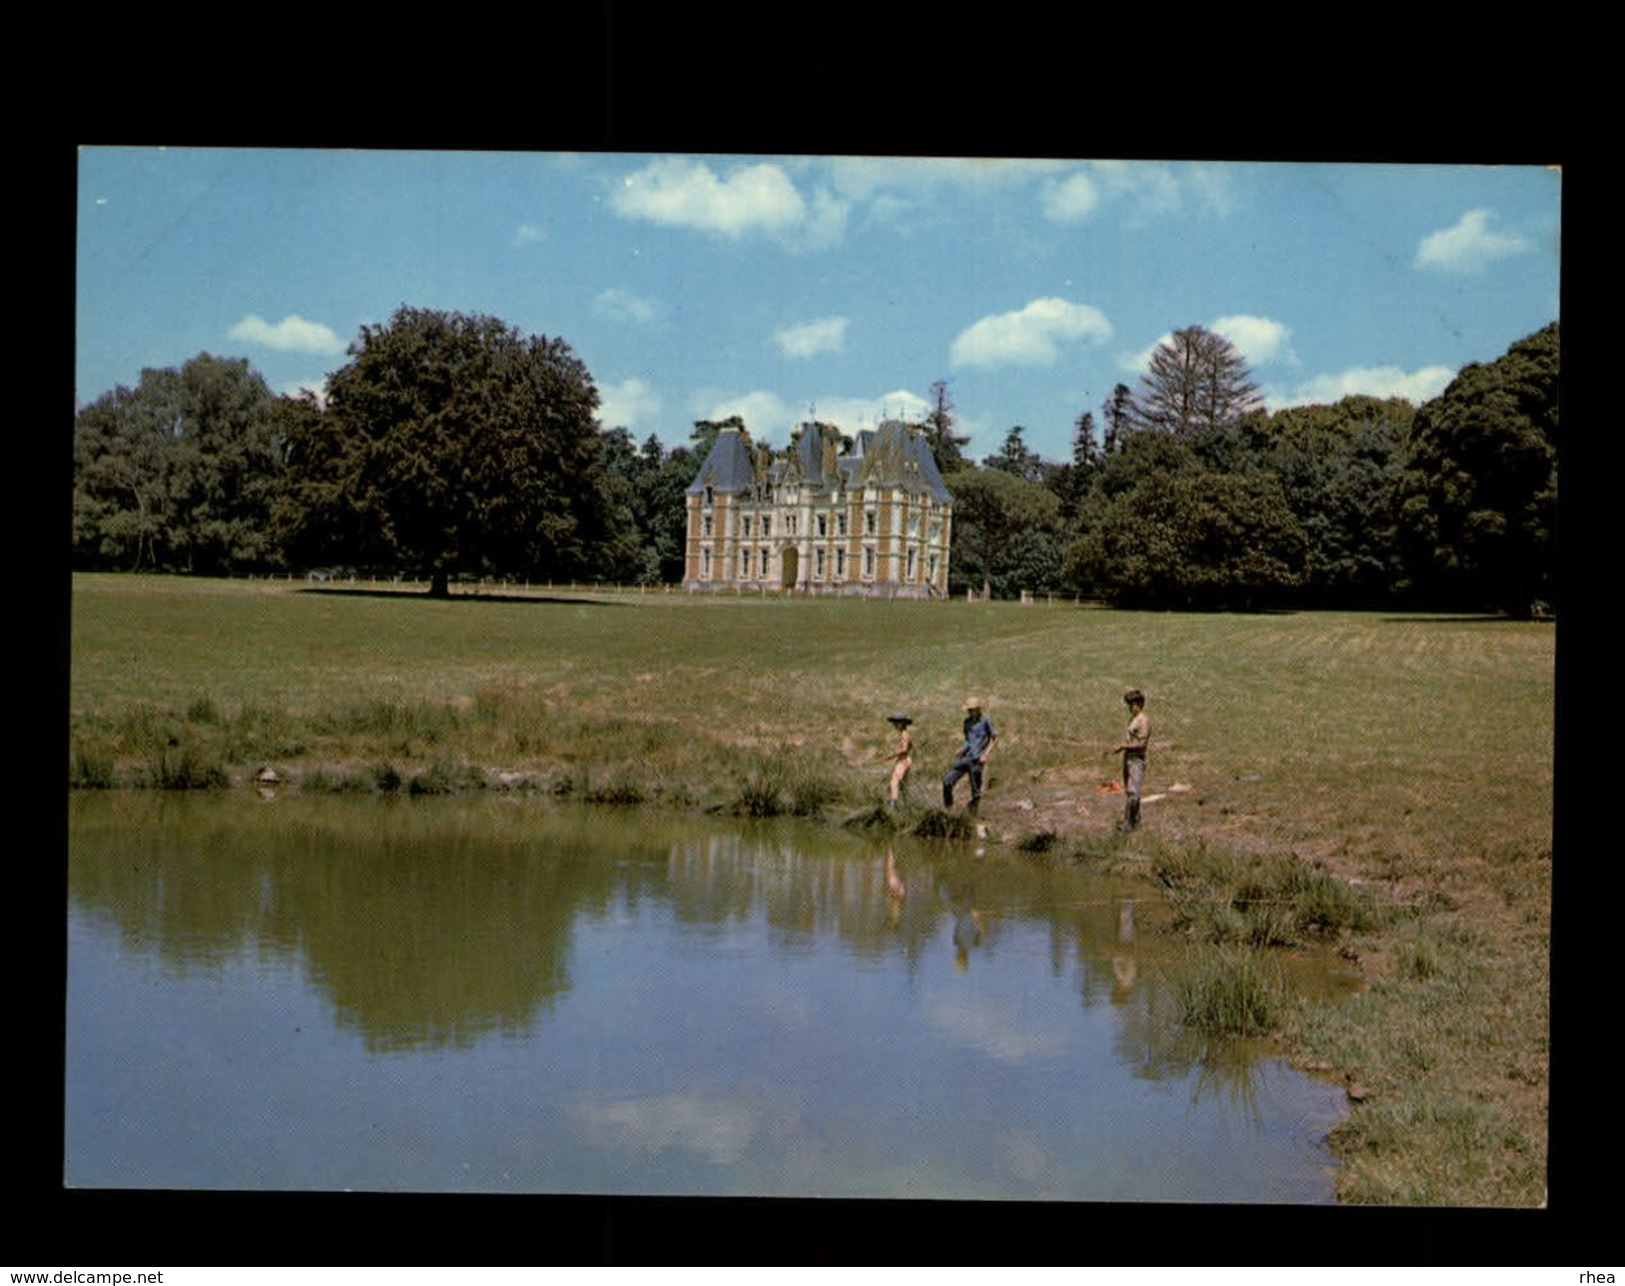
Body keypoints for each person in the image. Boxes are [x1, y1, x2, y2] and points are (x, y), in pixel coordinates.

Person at [1105, 688, 1150, 831]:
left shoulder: (1143, 721)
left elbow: (1141, 743)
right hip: (1128, 759)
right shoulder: (1133, 719)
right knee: (1129, 791)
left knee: (1133, 793)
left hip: (1136, 760)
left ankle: (1128, 824)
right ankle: (1133, 820)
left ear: (1139, 704)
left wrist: (1123, 746)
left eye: (1131, 704)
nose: (1130, 708)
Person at [942, 697, 997, 812]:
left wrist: (985, 754)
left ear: (978, 709)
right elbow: (968, 740)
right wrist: (961, 749)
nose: (970, 712)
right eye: (968, 710)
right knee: (947, 782)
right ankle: (948, 810)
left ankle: (973, 815)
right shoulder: (966, 722)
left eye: (972, 710)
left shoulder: (985, 722)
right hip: (965, 758)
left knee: (975, 790)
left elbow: (995, 739)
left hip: (977, 760)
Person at [886, 714, 914, 809]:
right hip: (904, 760)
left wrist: (893, 754)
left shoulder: (905, 734)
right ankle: (906, 806)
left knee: (894, 781)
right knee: (903, 785)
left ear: (902, 724)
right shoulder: (904, 734)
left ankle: (894, 804)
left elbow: (905, 749)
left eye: (896, 722)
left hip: (903, 761)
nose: (894, 725)